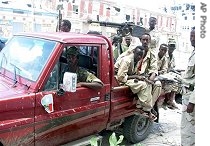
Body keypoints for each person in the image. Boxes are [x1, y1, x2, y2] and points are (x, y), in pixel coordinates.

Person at [115, 45, 157, 120]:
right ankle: (146, 109)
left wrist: (143, 77)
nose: (139, 57)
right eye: (138, 54)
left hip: (126, 78)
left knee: (148, 84)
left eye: (141, 55)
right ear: (134, 52)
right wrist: (136, 77)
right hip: (118, 80)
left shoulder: (136, 60)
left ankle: (145, 107)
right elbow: (120, 77)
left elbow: (134, 72)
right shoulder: (127, 60)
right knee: (143, 85)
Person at [181, 27, 195, 146]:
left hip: (192, 97)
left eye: (194, 36)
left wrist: (192, 102)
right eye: (191, 36)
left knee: (188, 130)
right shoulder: (195, 52)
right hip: (187, 94)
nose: (192, 39)